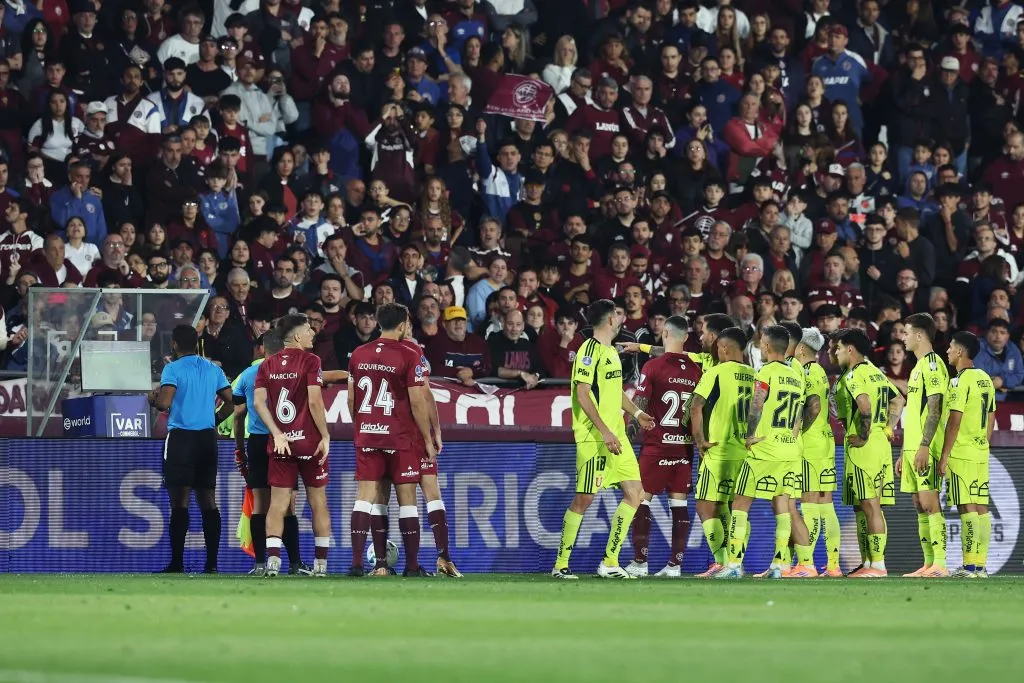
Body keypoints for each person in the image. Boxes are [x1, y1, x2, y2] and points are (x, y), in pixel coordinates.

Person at [552, 299, 654, 579]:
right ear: (611, 320)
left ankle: (610, 561)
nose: (622, 319)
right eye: (618, 315)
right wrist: (605, 431)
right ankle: (560, 564)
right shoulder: (589, 351)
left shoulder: (611, 352)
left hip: (617, 436)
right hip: (595, 438)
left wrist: (636, 413)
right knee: (584, 499)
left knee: (636, 494)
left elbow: (615, 391)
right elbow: (583, 393)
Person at [347, 303, 437, 577]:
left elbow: (351, 399)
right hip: (399, 437)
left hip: (368, 435)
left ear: (377, 323)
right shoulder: (409, 353)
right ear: (402, 325)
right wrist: (427, 439)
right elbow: (418, 401)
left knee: (367, 499)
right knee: (407, 500)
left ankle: (362, 565)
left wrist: (362, 426)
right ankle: (411, 566)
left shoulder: (358, 354)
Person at [716, 325, 811, 579]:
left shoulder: (766, 372)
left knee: (740, 503)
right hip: (789, 451)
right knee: (782, 506)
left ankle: (734, 565)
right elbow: (802, 411)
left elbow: (757, 404)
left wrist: (749, 435)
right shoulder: (795, 375)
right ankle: (780, 565)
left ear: (767, 347)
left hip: (764, 449)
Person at [252, 314, 333, 578]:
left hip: (282, 444)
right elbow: (314, 402)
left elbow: (258, 403)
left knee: (277, 504)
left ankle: (273, 561)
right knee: (317, 503)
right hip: (309, 443)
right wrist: (325, 435)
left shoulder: (268, 364)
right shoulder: (312, 361)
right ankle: (321, 566)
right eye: (309, 330)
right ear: (297, 336)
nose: (313, 333)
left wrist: (276, 433)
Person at [149, 324, 233, 574]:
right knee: (208, 500)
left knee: (180, 502)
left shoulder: (172, 368)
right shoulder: (212, 368)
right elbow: (231, 401)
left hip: (182, 439)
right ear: (197, 343)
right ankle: (212, 564)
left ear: (174, 344)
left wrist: (152, 399)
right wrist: (215, 419)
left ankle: (177, 563)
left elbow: (164, 403)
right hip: (207, 439)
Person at [624, 315, 702, 578]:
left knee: (640, 499)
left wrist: (627, 436)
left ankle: (640, 562)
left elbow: (641, 405)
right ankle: (675, 565)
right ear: (686, 337)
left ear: (665, 334)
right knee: (679, 505)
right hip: (684, 447)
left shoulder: (653, 366)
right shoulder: (697, 369)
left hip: (657, 446)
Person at [231, 329, 308, 576]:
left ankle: (261, 564)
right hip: (284, 440)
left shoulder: (248, 374)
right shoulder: (295, 371)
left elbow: (238, 412)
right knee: (288, 505)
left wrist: (239, 448)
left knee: (260, 505)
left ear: (262, 349)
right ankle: (295, 563)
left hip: (257, 441)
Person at [834, 329, 904, 578]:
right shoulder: (876, 371)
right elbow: (898, 400)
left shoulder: (855, 374)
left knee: (870, 505)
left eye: (839, 348)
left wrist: (863, 435)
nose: (835, 352)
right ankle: (868, 563)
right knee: (862, 507)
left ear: (850, 350)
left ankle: (878, 565)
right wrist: (887, 426)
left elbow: (864, 406)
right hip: (880, 445)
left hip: (864, 447)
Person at [688, 327, 754, 578]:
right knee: (736, 506)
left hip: (718, 451)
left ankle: (722, 561)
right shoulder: (754, 374)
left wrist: (699, 440)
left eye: (718, 347)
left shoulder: (715, 372)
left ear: (725, 348)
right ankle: (735, 562)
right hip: (746, 452)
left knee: (706, 505)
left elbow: (696, 406)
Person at [897, 313, 951, 578]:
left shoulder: (932, 365)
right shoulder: (917, 368)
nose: (902, 337)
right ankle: (928, 564)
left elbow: (935, 409)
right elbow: (913, 412)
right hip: (911, 447)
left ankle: (940, 563)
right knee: (919, 504)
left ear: (919, 335)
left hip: (925, 447)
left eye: (906, 333)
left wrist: (925, 446)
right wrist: (903, 452)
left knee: (930, 503)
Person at [940, 331, 997, 578]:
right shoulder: (985, 379)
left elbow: (954, 420)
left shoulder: (958, 381)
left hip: (962, 451)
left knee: (967, 508)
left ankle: (970, 566)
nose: (948, 351)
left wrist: (944, 456)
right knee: (981, 507)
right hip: (980, 451)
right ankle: (981, 566)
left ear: (961, 352)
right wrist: (983, 443)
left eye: (951, 347)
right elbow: (992, 414)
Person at [794, 327, 841, 577]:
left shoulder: (806, 371)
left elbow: (813, 406)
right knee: (825, 505)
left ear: (802, 348)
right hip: (825, 442)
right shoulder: (820, 371)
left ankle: (806, 564)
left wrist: (798, 432)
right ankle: (832, 565)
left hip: (810, 445)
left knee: (809, 503)